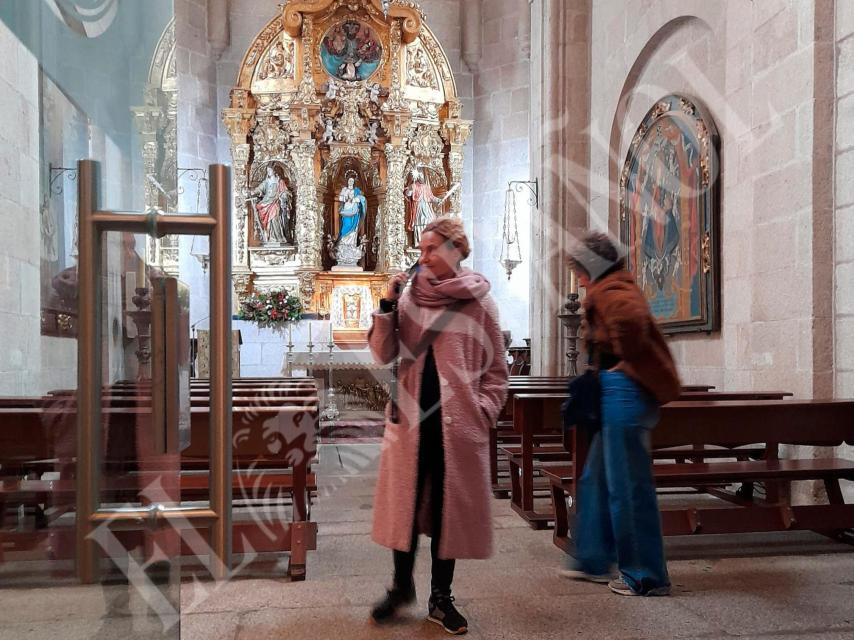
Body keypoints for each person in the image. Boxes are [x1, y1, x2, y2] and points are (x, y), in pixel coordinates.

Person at [367, 217, 509, 634]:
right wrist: (388, 304)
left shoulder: (481, 303)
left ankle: (441, 597)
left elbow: (497, 370)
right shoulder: (411, 298)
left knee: (448, 513)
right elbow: (383, 353)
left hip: (458, 426)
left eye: (431, 248)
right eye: (422, 248)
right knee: (405, 510)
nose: (423, 255)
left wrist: (483, 411)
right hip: (410, 424)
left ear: (454, 250)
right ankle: (399, 588)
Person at [562, 231, 681, 597]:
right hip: (619, 393)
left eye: (582, 271)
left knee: (628, 487)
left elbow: (631, 324)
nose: (580, 279)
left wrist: (620, 363)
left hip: (625, 393)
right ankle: (594, 559)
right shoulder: (612, 285)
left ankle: (645, 575)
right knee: (595, 480)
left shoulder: (613, 289)